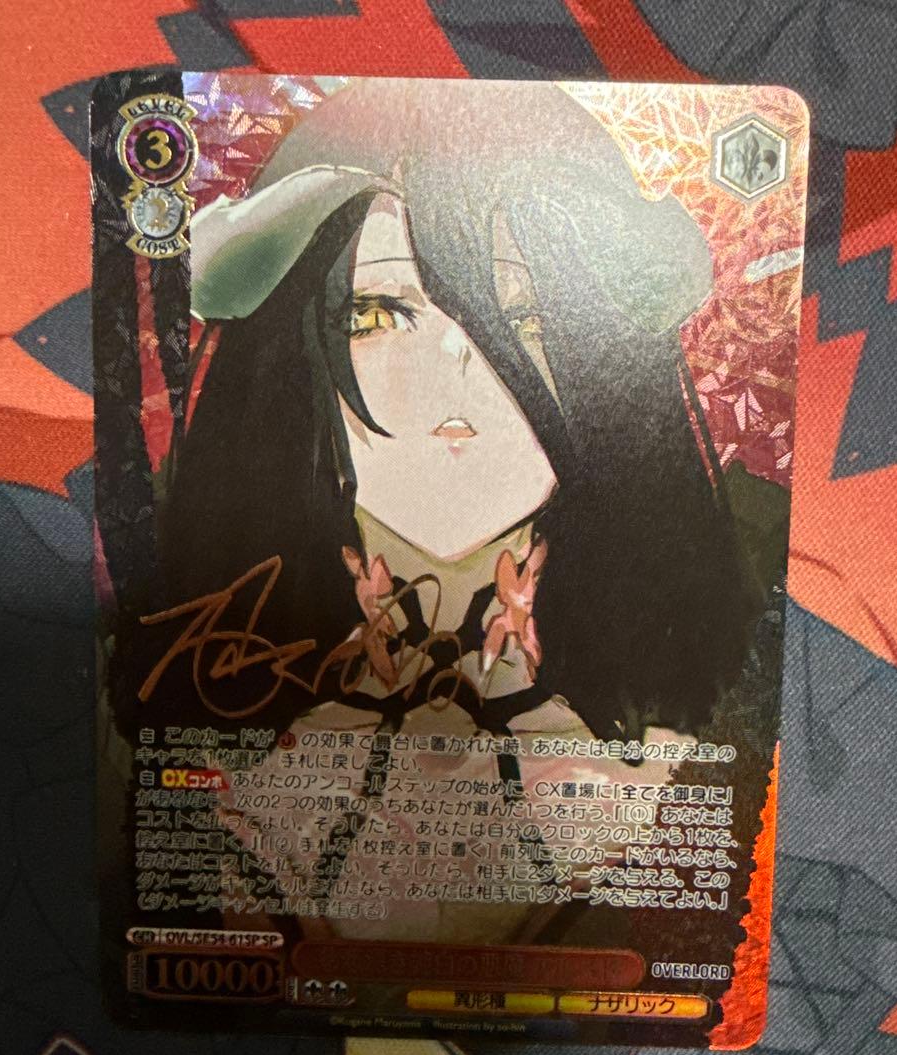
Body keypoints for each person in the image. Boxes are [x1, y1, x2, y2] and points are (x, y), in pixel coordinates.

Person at [149, 79, 760, 943]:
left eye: (519, 313)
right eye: (377, 313)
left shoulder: (696, 712)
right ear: (295, 360)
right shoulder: (208, 708)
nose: (454, 366)